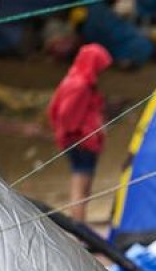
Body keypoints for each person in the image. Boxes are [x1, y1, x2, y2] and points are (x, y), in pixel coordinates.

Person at [47, 43, 112, 224]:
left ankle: (80, 225)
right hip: (81, 142)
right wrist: (83, 132)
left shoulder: (76, 79)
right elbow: (66, 114)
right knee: (80, 186)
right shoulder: (80, 85)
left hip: (83, 141)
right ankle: (79, 228)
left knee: (84, 186)